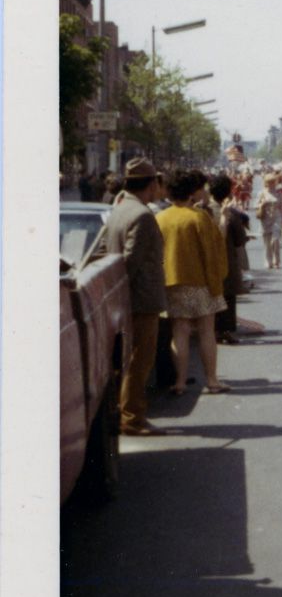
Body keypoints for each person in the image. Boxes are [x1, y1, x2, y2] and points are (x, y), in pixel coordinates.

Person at [100, 157, 169, 435]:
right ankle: (132, 418)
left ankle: (125, 413)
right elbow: (131, 261)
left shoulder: (119, 209)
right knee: (139, 360)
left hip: (125, 298)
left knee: (129, 360)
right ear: (151, 184)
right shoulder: (141, 215)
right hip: (140, 299)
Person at [157, 169, 230, 395]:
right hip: (200, 282)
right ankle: (212, 380)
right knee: (207, 331)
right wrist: (217, 282)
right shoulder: (199, 218)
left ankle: (180, 382)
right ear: (191, 191)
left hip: (172, 281)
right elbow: (213, 253)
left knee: (179, 331)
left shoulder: (160, 218)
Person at [209, 174, 249, 345]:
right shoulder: (231, 214)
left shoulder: (202, 211)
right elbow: (240, 240)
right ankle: (224, 330)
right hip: (227, 261)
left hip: (207, 261)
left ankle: (211, 329)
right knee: (228, 296)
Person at [255, 172, 282, 270]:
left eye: (273, 182)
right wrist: (262, 204)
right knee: (267, 242)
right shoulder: (261, 193)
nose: (271, 184)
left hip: (276, 217)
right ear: (266, 183)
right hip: (265, 218)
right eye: (269, 182)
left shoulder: (279, 193)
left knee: (275, 240)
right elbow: (256, 206)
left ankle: (277, 260)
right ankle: (268, 260)